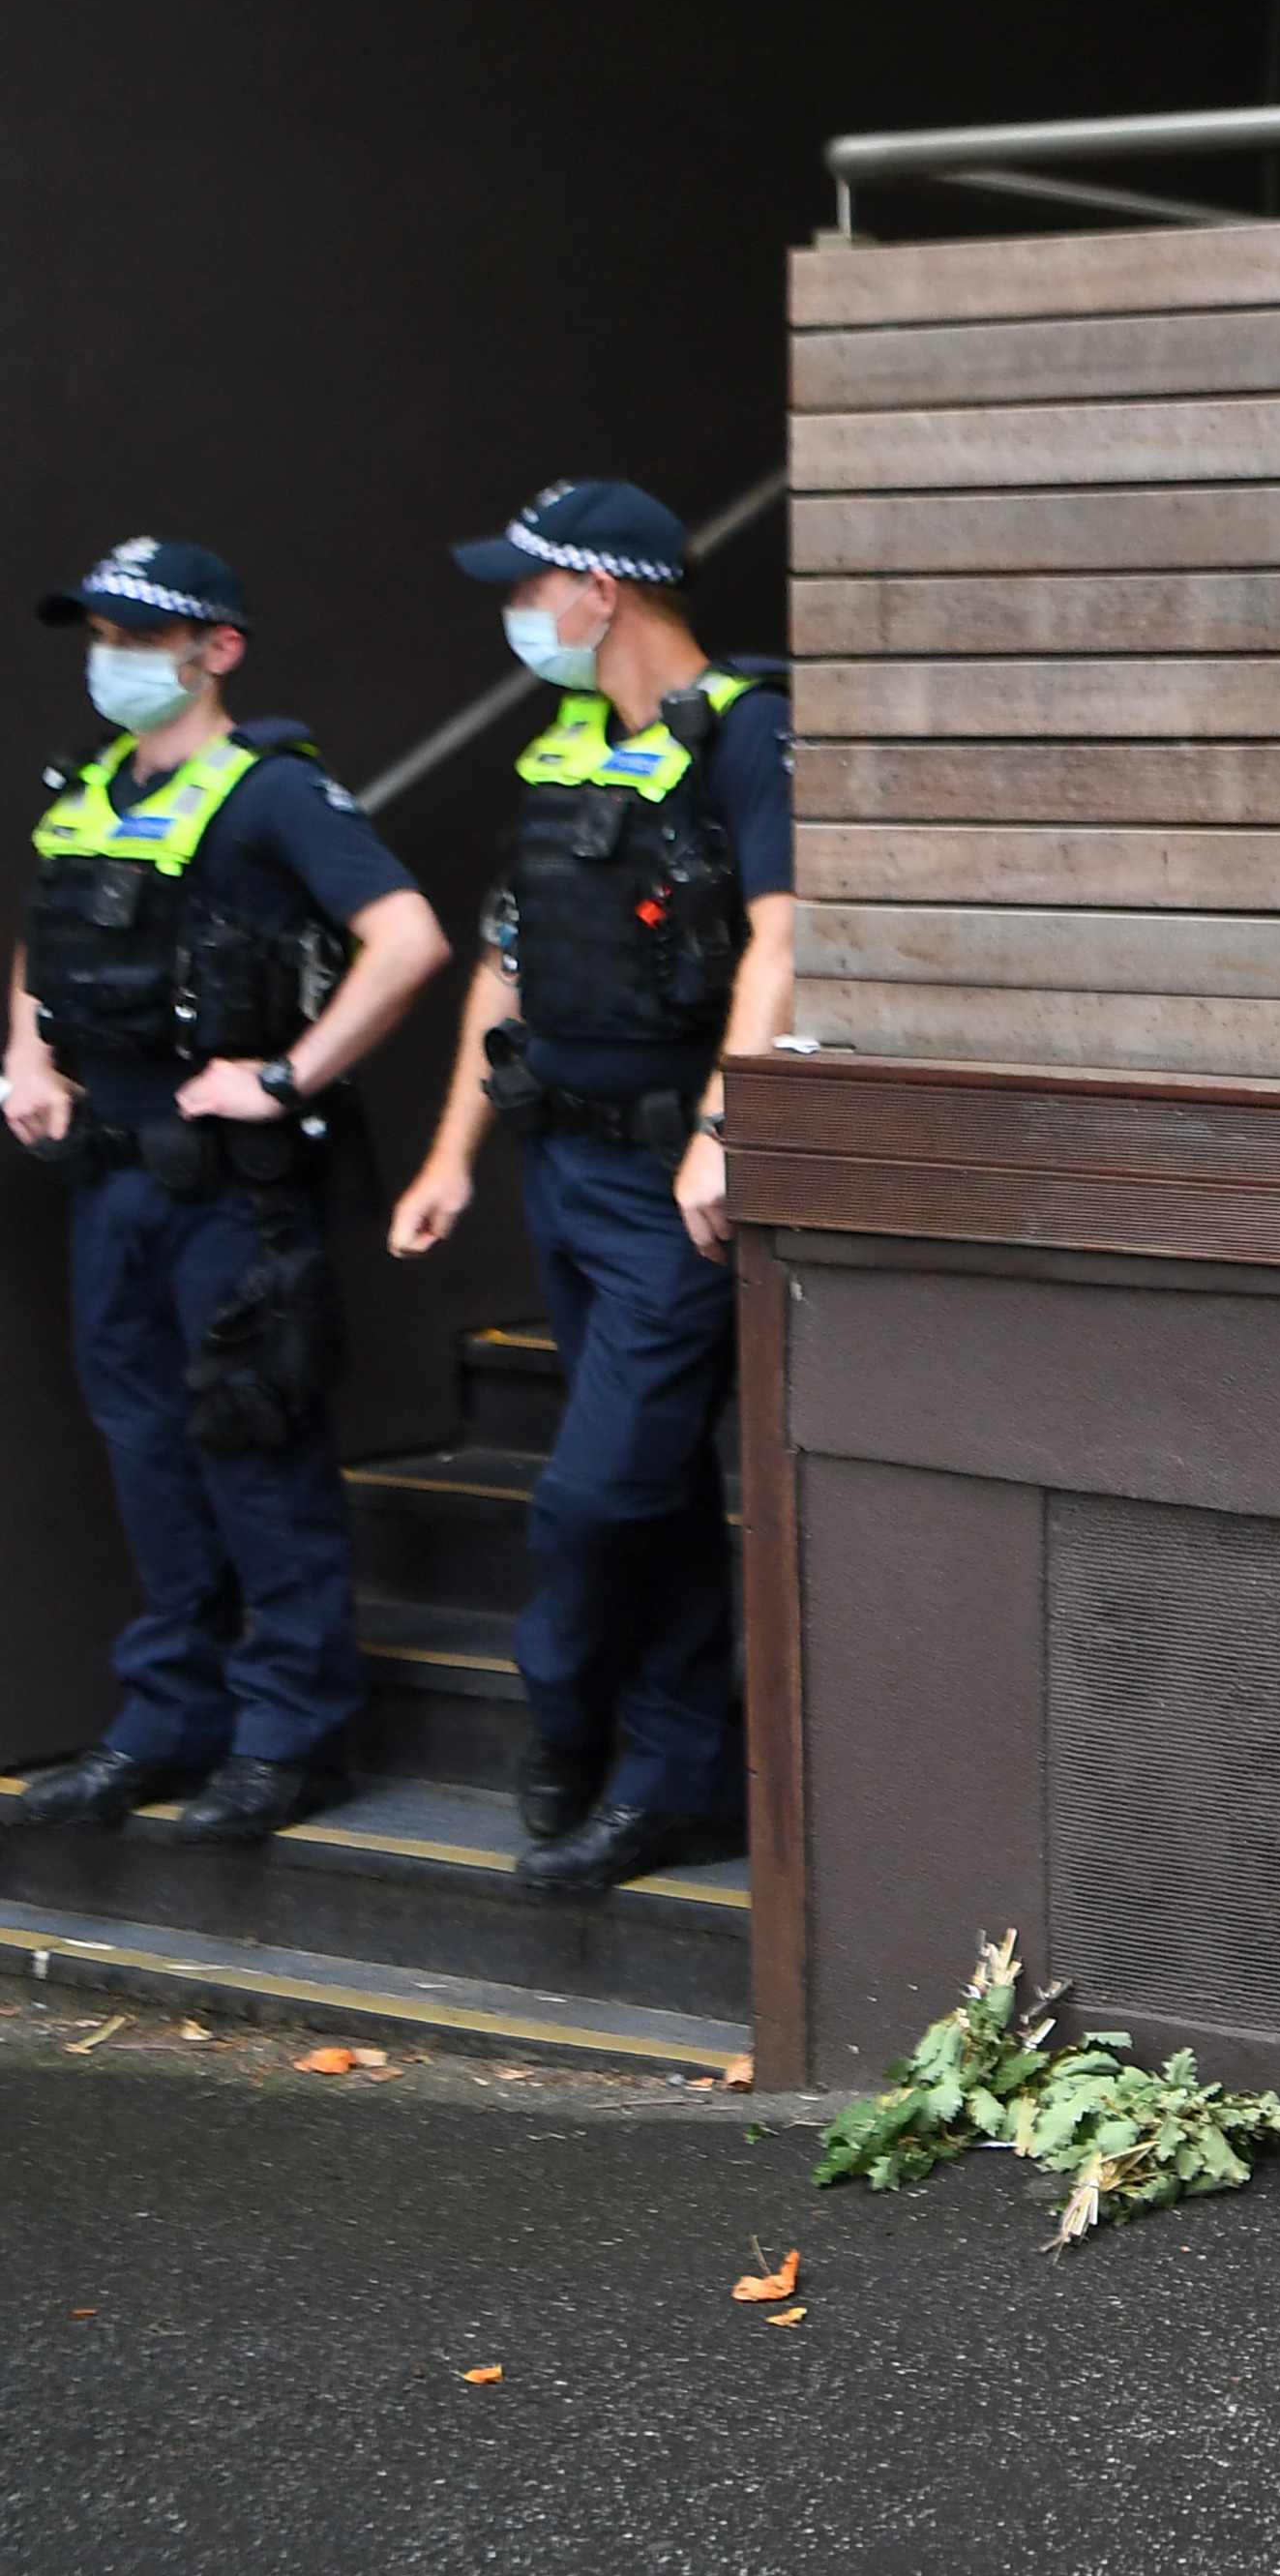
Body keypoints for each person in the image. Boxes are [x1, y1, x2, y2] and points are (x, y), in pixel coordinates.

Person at [3, 541, 446, 1841]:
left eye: (142, 635)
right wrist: (29, 1056)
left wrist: (289, 1074)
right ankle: (166, 1722)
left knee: (254, 1448)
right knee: (146, 1459)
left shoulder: (274, 795)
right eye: (100, 633)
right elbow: (50, 934)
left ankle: (290, 1738)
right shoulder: (85, 792)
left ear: (219, 647)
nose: (114, 657)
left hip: (234, 1201)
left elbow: (408, 939)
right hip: (111, 1185)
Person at [385, 484, 785, 1896]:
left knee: (594, 1494)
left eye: (529, 584)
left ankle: (561, 1716)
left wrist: (725, 1128)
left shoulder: (748, 731)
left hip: (673, 1178)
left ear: (601, 591)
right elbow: (507, 959)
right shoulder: (566, 746)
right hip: (561, 1157)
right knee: (655, 1486)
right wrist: (451, 1153)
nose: (517, 612)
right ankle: (677, 1784)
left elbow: (786, 940)